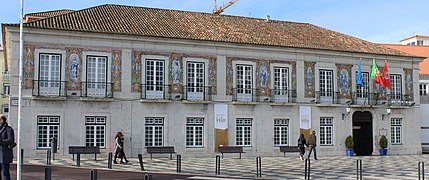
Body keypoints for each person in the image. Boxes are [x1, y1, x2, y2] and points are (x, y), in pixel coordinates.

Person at [0, 115, 14, 180]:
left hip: (4, 154)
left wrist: (1, 141)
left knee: (5, 172)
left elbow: (10, 140)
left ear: (2, 120)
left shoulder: (9, 129)